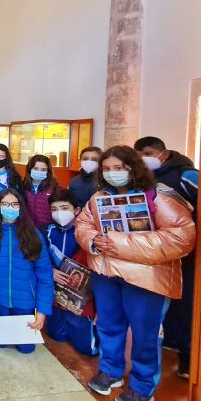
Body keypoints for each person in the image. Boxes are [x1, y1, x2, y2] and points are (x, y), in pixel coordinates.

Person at [75, 145, 195, 400]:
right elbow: (83, 224)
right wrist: (95, 240)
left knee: (144, 334)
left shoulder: (159, 197)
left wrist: (118, 243)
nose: (112, 173)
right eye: (106, 169)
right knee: (108, 326)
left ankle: (142, 386)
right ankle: (110, 371)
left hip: (145, 279)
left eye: (118, 168)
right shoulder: (99, 198)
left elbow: (181, 238)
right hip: (107, 275)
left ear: (133, 167)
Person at [134, 136, 198, 377]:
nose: (143, 159)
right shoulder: (143, 179)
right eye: (138, 155)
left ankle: (189, 355)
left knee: (186, 303)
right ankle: (172, 339)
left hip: (187, 252)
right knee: (163, 298)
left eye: (148, 153)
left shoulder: (187, 176)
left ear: (164, 152)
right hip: (157, 250)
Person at [0, 189, 54, 353]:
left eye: (14, 204)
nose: (10, 208)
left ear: (21, 207)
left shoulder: (34, 235)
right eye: (5, 204)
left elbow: (45, 276)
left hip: (25, 304)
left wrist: (42, 311)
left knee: (26, 349)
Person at [45, 189, 98, 356]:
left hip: (81, 298)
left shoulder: (86, 233)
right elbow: (39, 259)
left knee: (86, 349)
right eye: (54, 209)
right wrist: (50, 271)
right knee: (56, 335)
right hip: (56, 295)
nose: (59, 213)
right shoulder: (47, 232)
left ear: (76, 210)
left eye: (64, 208)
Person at [22, 154, 58, 230]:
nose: (39, 172)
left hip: (48, 229)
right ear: (30, 169)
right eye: (36, 168)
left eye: (43, 170)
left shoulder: (54, 188)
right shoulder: (23, 186)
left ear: (48, 171)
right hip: (28, 229)